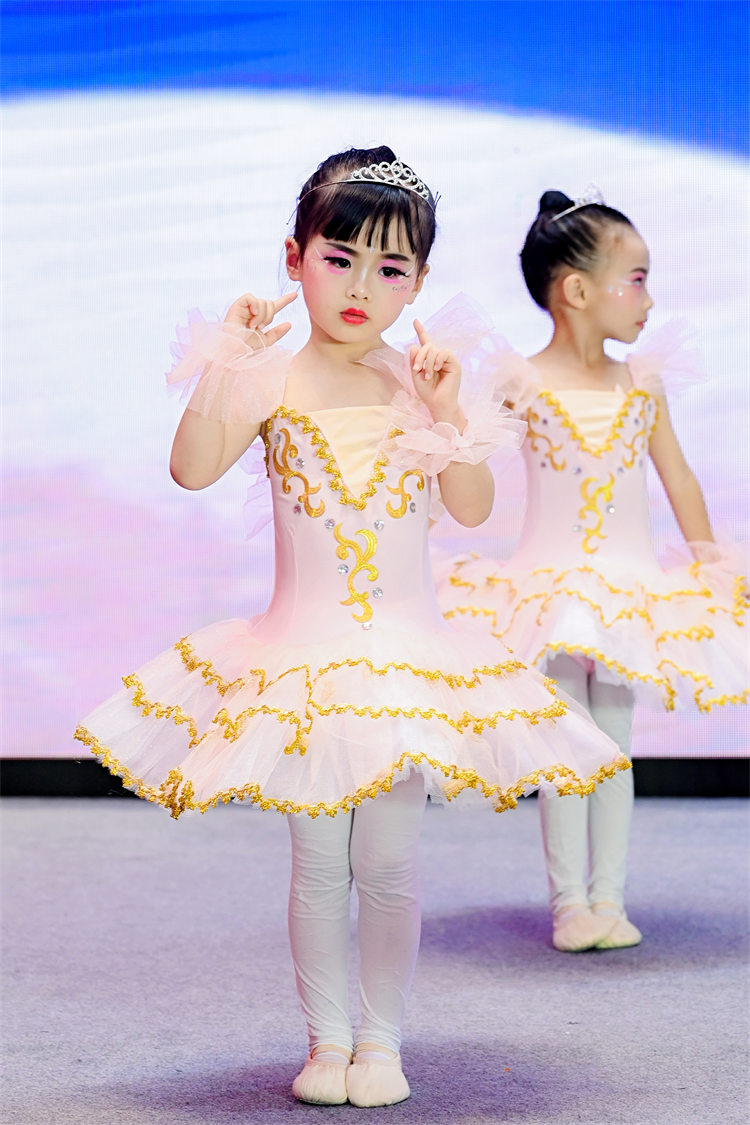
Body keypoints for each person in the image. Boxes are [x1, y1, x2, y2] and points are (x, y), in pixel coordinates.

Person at [74, 152, 628, 1108]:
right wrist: (226, 363)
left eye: (391, 268)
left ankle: (382, 1039)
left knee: (389, 861)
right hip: (300, 663)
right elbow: (192, 468)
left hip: (408, 663)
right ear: (295, 259)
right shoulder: (269, 380)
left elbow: (471, 504)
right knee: (319, 862)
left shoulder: (417, 383)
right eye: (339, 259)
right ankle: (327, 1040)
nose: (362, 287)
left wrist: (448, 413)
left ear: (418, 281)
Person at [438, 188, 749, 955]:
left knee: (612, 741)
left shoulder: (642, 382)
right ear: (576, 290)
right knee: (563, 742)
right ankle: (569, 903)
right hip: (546, 592)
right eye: (636, 279)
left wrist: (712, 564)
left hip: (629, 589)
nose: (649, 298)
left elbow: (678, 477)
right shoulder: (519, 380)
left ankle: (608, 896)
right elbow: (467, 459)